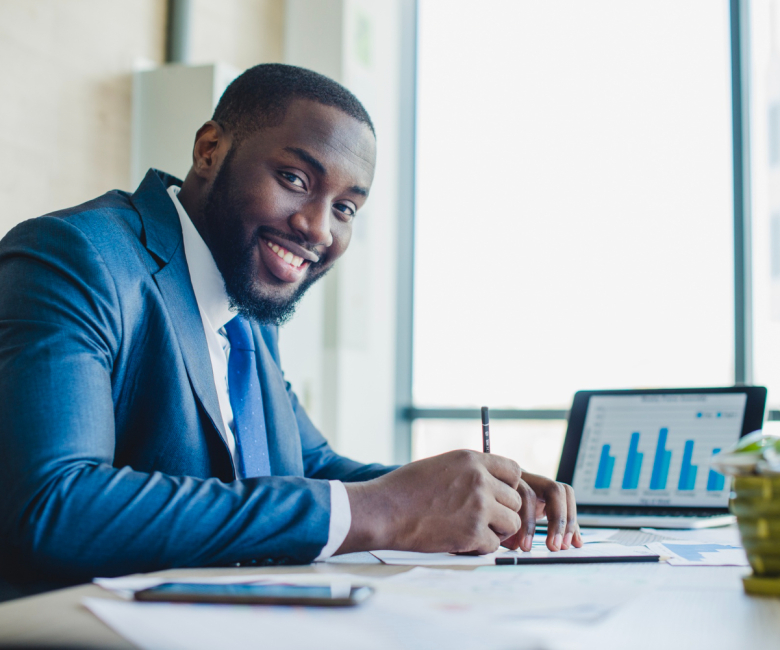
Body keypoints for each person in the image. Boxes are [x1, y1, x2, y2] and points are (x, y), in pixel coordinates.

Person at [0, 64, 581, 586]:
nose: (319, 228)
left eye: (346, 208)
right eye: (295, 179)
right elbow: (53, 504)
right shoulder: (76, 258)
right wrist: (382, 510)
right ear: (209, 150)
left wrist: (467, 493)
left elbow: (313, 470)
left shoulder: (245, 309)